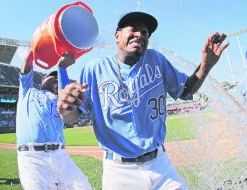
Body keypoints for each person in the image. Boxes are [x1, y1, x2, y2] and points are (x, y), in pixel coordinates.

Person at [57, 12, 229, 190]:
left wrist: (206, 65)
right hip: (119, 172)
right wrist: (66, 109)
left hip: (160, 165)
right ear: (117, 36)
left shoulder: (156, 59)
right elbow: (73, 117)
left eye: (145, 33)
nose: (139, 34)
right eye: (133, 29)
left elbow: (185, 91)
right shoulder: (95, 69)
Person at [16, 49, 92, 190]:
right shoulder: (28, 91)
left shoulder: (60, 100)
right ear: (42, 79)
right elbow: (27, 65)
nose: (56, 81)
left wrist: (62, 68)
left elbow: (70, 115)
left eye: (59, 80)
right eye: (52, 77)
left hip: (60, 155)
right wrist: (39, 46)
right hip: (32, 157)